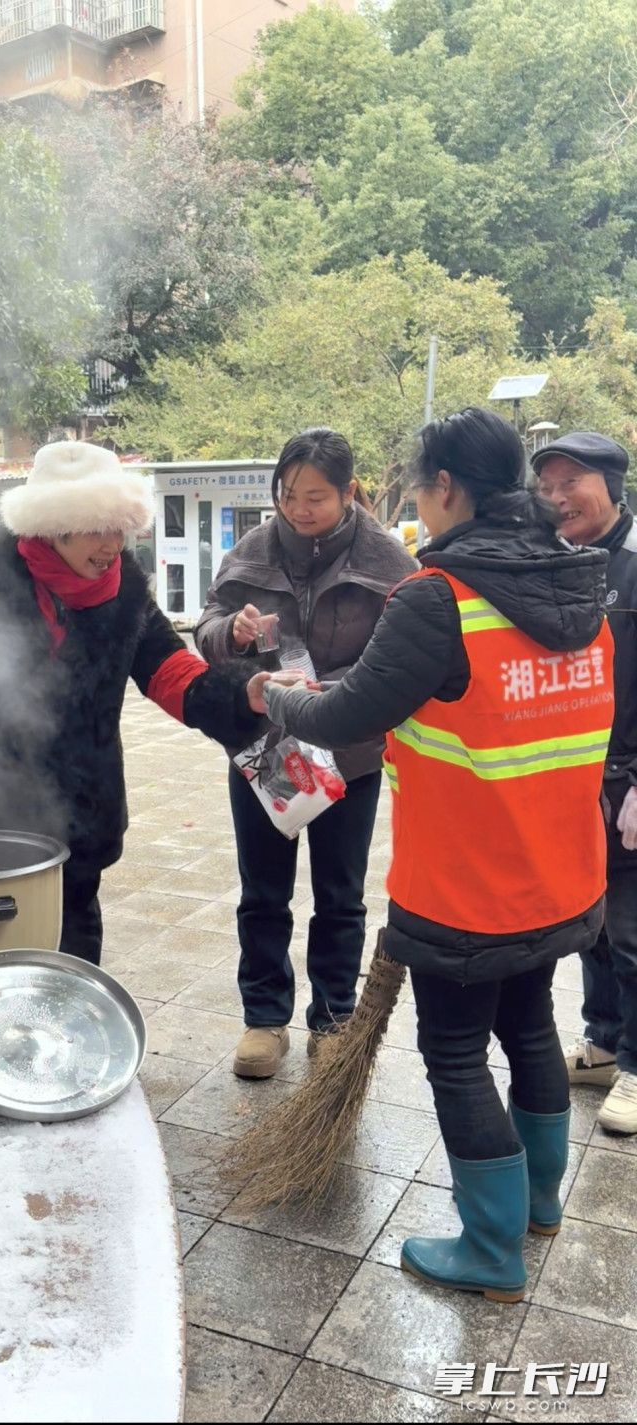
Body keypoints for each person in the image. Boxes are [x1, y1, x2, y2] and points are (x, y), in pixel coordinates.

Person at [249, 408, 614, 1303]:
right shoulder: (579, 584)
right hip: (559, 872)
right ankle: (537, 1206)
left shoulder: (440, 595)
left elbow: (347, 716)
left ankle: (491, 1249)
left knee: (453, 1051)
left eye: (421, 485)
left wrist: (277, 697)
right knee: (527, 1023)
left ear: (445, 487)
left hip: (467, 880)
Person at [0, 441, 260, 966]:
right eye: (96, 528)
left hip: (79, 808)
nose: (111, 545)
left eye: (119, 528)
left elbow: (170, 669)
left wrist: (245, 694)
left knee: (72, 952)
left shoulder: (123, 589)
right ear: (53, 527)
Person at [195, 428, 415, 1079]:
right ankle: (264, 1018)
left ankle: (333, 1018)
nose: (299, 508)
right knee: (262, 891)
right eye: (288, 494)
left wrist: (338, 692)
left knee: (340, 895)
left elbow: (402, 656)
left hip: (348, 749)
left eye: (316, 496)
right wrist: (228, 633)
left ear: (349, 492)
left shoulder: (386, 561)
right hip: (266, 747)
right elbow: (205, 628)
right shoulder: (253, 552)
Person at [533, 433, 637, 1134]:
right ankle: (602, 1039)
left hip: (628, 781)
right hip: (574, 779)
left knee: (631, 927)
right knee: (590, 921)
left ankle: (635, 1064)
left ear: (611, 482)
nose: (559, 497)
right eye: (548, 487)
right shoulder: (556, 562)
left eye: (572, 481)